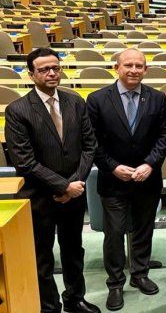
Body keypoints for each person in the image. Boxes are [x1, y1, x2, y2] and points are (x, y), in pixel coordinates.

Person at [4, 48, 100, 313]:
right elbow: (24, 161)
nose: (51, 73)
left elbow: (89, 146)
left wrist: (74, 185)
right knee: (42, 255)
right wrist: (63, 186)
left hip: (74, 192)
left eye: (55, 68)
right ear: (31, 74)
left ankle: (74, 298)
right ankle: (49, 306)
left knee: (73, 250)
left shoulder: (75, 102)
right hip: (40, 196)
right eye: (44, 69)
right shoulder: (18, 110)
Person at [86, 49, 166, 310]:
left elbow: (164, 135)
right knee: (113, 234)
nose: (134, 70)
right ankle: (115, 283)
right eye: (128, 65)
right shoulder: (97, 99)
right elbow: (92, 140)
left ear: (145, 70)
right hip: (114, 181)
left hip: (147, 178)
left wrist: (150, 164)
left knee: (144, 229)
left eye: (139, 66)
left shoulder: (156, 98)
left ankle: (139, 274)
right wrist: (112, 167)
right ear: (117, 68)